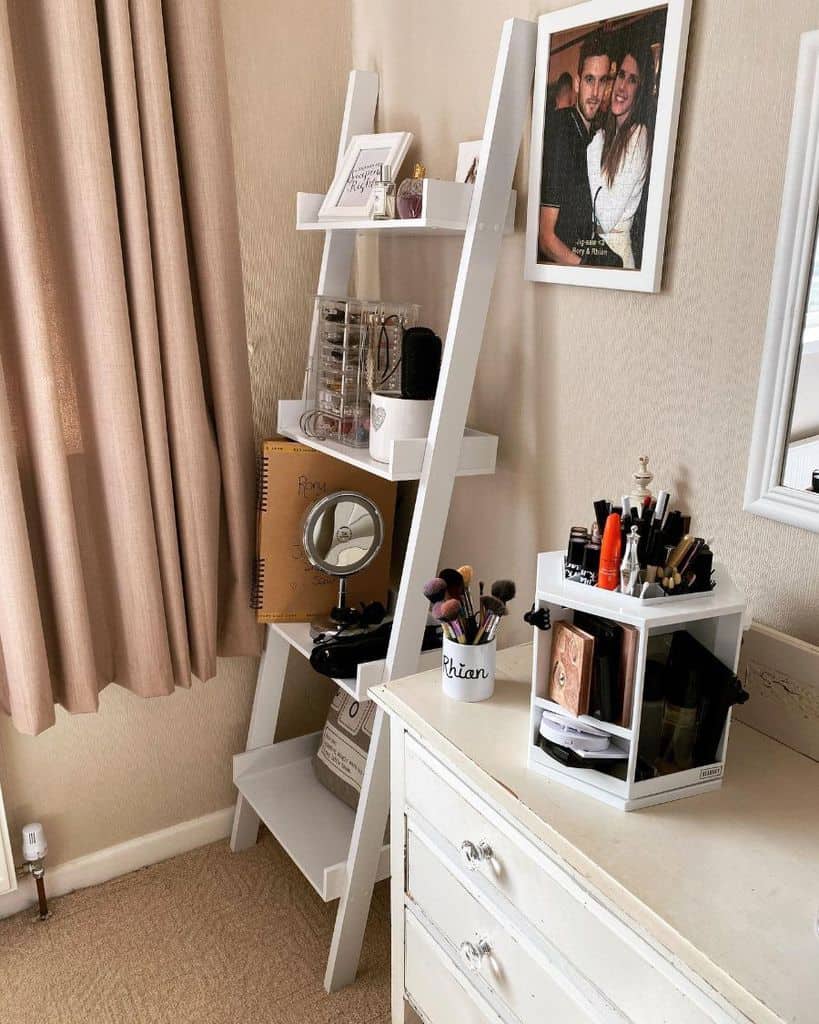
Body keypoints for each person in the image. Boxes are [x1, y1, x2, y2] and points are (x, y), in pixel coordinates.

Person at [538, 34, 613, 265]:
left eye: (602, 81)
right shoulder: (561, 131)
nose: (595, 92)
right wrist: (586, 271)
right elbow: (546, 238)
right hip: (566, 271)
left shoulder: (594, 135)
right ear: (578, 83)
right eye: (590, 80)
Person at [586, 41, 654, 270]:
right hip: (601, 254)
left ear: (640, 91)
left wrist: (593, 151)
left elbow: (605, 218)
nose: (622, 87)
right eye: (621, 76)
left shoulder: (638, 136)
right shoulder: (610, 135)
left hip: (616, 259)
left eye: (632, 80)